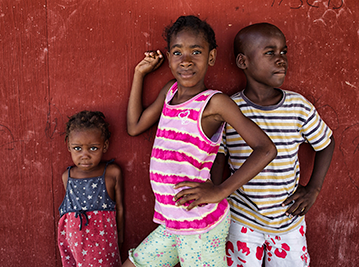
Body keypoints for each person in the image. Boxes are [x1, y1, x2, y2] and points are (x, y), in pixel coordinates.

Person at [123, 15, 277, 267]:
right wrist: (139, 73)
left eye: (196, 51)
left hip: (200, 226)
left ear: (211, 57)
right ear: (169, 57)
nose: (185, 61)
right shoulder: (170, 91)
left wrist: (221, 190)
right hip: (173, 223)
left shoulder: (214, 103)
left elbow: (266, 149)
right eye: (177, 52)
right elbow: (134, 126)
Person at [214, 23, 335, 266]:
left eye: (284, 52)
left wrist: (313, 189)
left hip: (289, 219)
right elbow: (218, 157)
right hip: (242, 219)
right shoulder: (229, 109)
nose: (281, 60)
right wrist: (216, 200)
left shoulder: (298, 106)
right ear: (243, 61)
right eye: (270, 53)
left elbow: (326, 143)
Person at [58, 110, 124, 267]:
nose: (85, 155)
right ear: (68, 147)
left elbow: (120, 208)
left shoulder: (112, 173)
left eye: (93, 148)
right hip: (77, 248)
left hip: (104, 247)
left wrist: (120, 238)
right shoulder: (68, 177)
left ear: (104, 146)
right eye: (77, 148)